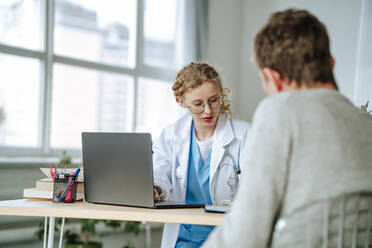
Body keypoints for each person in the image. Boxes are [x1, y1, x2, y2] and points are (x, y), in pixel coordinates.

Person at [202, 9, 372, 248]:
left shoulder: (280, 111)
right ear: (331, 64)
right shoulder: (366, 123)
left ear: (274, 78)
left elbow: (244, 235)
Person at [152, 62, 250, 248]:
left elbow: (254, 192)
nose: (208, 110)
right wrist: (156, 189)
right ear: (181, 102)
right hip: (182, 239)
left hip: (227, 238)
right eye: (198, 104)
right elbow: (160, 176)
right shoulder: (171, 136)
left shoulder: (244, 136)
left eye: (213, 100)